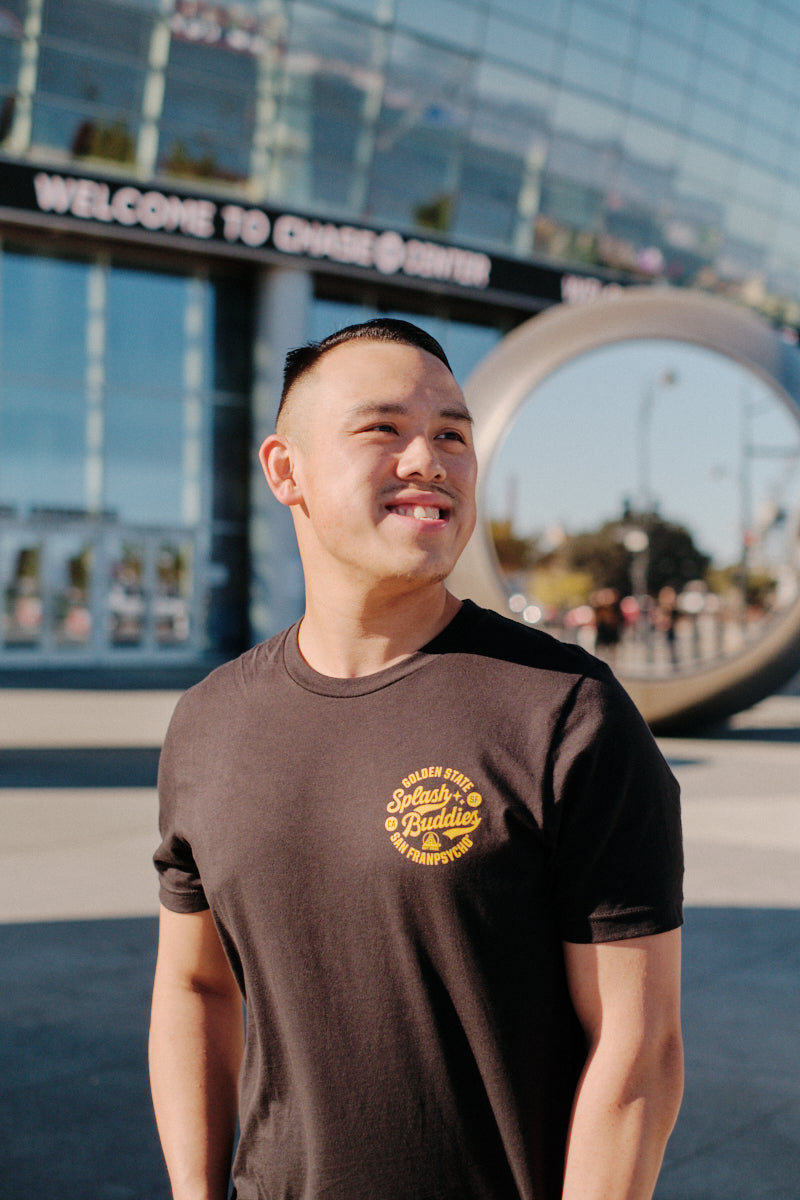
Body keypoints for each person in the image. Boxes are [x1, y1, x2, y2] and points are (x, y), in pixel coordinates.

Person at [150, 318, 684, 1200]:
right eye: (383, 429)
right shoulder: (210, 722)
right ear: (287, 471)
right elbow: (196, 988)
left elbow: (638, 1048)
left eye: (451, 435)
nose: (428, 460)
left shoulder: (567, 714)